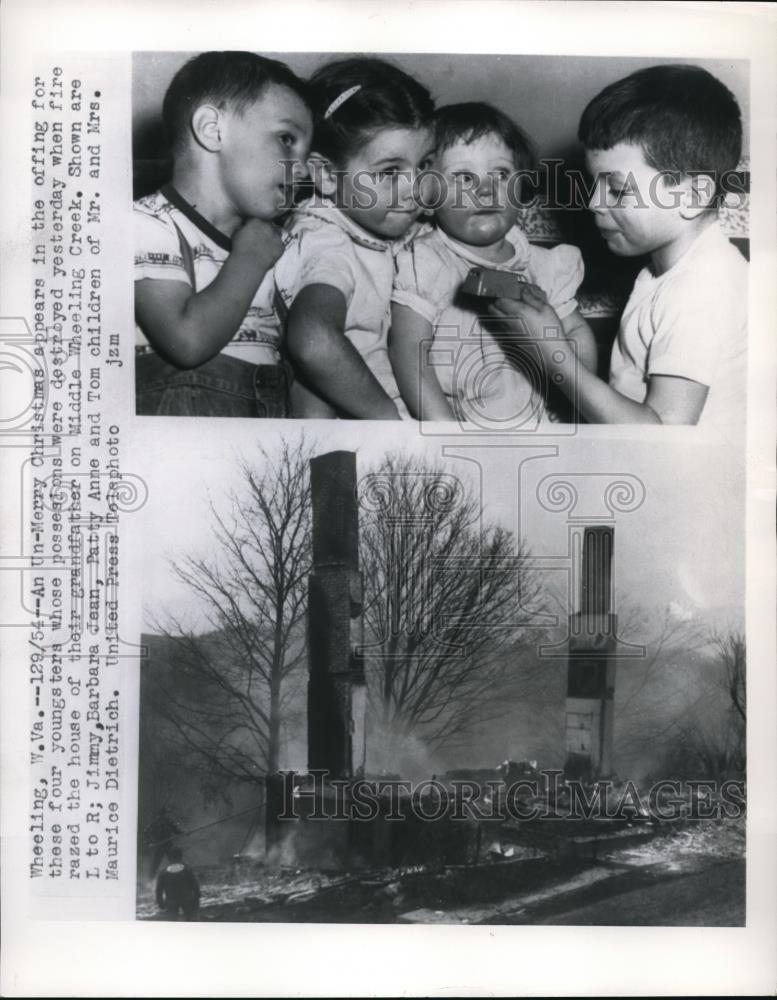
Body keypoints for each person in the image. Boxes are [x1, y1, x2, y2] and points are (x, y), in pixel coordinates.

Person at [488, 64, 747, 428]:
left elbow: (663, 437)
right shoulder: (674, 270)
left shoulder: (703, 286)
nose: (594, 203)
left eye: (618, 189)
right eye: (595, 184)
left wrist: (551, 354)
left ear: (692, 195)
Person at [389, 102, 598, 426]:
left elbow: (575, 332)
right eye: (464, 178)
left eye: (500, 173)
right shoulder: (427, 261)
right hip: (458, 425)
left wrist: (575, 406)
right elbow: (408, 351)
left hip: (539, 425)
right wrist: (443, 430)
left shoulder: (549, 266)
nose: (486, 189)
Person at [134, 51, 312, 417]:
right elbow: (187, 341)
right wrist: (249, 259)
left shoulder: (278, 243)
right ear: (212, 130)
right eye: (285, 139)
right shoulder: (145, 222)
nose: (304, 169)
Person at [275, 57, 436, 418]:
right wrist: (388, 423)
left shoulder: (385, 228)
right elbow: (313, 340)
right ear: (327, 176)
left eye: (424, 165)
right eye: (390, 171)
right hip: (370, 430)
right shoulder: (324, 240)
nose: (416, 188)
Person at [155, 847, 201, 920]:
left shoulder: (163, 872)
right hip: (187, 900)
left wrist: (160, 902)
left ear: (169, 858)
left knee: (172, 925)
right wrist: (197, 899)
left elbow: (158, 890)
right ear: (181, 856)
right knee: (192, 923)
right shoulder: (187, 869)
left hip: (171, 902)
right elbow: (195, 885)